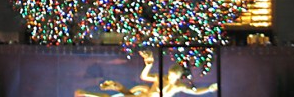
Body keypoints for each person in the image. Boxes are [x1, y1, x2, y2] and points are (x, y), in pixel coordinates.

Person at [74, 49, 218, 97]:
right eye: (170, 74)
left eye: (174, 77)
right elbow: (144, 77)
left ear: (179, 77)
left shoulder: (178, 86)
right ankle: (86, 94)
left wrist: (209, 89)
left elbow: (195, 92)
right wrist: (148, 65)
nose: (171, 78)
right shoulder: (161, 78)